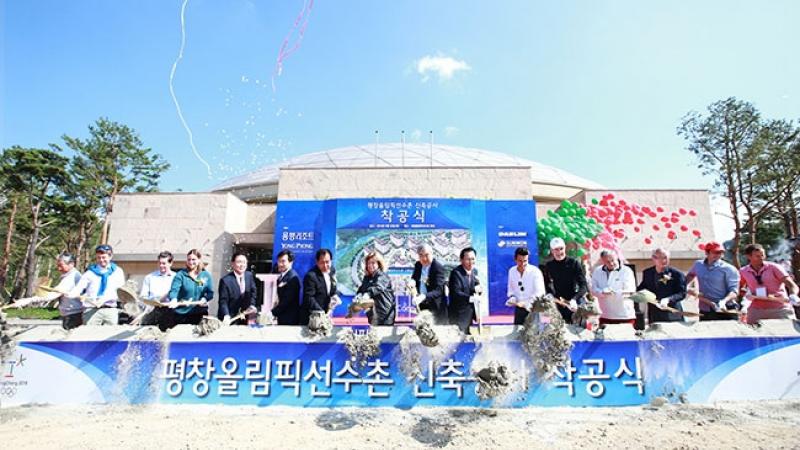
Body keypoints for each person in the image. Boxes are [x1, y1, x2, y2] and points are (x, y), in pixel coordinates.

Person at [739, 244, 800, 324]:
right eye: (757, 256)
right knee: (752, 332)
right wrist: (746, 296)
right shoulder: (743, 271)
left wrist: (793, 295)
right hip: (757, 309)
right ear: (748, 256)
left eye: (762, 255)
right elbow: (738, 288)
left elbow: (791, 284)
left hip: (780, 307)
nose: (761, 258)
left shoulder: (774, 267)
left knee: (788, 333)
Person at [69, 244, 125, 326]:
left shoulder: (118, 272)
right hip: (91, 310)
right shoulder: (90, 272)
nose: (101, 260)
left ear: (110, 256)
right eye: (99, 258)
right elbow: (79, 288)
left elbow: (121, 292)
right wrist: (72, 293)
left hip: (110, 310)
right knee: (91, 336)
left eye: (104, 257)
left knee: (109, 336)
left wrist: (104, 299)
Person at [686, 241, 740, 321]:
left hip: (725, 309)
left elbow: (734, 291)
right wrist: (687, 286)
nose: (718, 255)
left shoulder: (729, 269)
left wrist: (724, 301)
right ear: (707, 253)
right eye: (715, 252)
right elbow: (690, 275)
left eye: (721, 252)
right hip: (706, 309)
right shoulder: (698, 265)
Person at [161, 249, 214, 330]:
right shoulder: (181, 275)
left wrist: (205, 299)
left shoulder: (205, 275)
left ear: (199, 260)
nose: (191, 262)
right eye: (189, 259)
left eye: (193, 259)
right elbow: (174, 290)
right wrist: (173, 299)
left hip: (199, 313)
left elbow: (210, 293)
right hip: (182, 314)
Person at [543, 238, 589, 323]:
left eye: (561, 249)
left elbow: (583, 285)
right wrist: (550, 295)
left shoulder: (574, 263)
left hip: (573, 303)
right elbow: (547, 284)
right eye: (556, 249)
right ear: (552, 251)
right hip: (557, 303)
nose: (559, 252)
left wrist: (575, 299)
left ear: (565, 248)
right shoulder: (549, 266)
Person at [637, 248, 687, 323]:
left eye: (665, 258)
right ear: (654, 259)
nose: (663, 261)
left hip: (672, 315)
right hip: (654, 315)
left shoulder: (677, 274)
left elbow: (682, 293)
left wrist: (668, 299)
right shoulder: (648, 273)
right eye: (660, 258)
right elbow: (643, 288)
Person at [590, 250, 637, 326]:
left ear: (617, 258)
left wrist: (614, 292)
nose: (611, 263)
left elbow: (630, 290)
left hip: (624, 315)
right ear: (603, 261)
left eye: (612, 260)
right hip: (605, 314)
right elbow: (593, 289)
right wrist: (601, 292)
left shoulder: (626, 271)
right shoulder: (597, 271)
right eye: (607, 262)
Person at [506, 247, 545, 325]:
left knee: (534, 335)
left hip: (533, 309)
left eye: (525, 261)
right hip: (519, 310)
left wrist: (527, 303)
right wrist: (513, 298)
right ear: (515, 259)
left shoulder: (535, 272)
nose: (523, 264)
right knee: (517, 334)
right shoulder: (512, 271)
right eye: (520, 261)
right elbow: (511, 289)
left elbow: (540, 292)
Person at [300, 248, 340, 325]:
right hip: (312, 317)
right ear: (317, 262)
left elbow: (333, 288)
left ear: (331, 261)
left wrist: (335, 295)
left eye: (327, 262)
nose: (325, 265)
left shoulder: (332, 270)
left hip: (326, 315)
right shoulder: (311, 276)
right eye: (322, 262)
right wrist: (321, 313)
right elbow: (309, 298)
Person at [410, 243, 447, 324]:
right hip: (422, 305)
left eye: (427, 255)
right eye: (421, 255)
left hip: (436, 307)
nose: (424, 258)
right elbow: (415, 278)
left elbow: (438, 290)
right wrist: (412, 281)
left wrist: (424, 296)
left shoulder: (438, 268)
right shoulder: (418, 265)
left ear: (432, 254)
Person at [217, 252, 258, 325]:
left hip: (246, 317)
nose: (242, 265)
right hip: (231, 318)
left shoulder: (249, 276)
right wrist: (226, 315)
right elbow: (223, 301)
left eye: (244, 262)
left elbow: (253, 292)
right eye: (239, 262)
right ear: (232, 264)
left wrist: (252, 304)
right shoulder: (225, 280)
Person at [137, 251, 176, 325]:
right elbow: (143, 296)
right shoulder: (149, 277)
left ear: (170, 263)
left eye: (164, 263)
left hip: (170, 311)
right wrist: (147, 304)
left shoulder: (176, 278)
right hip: (152, 311)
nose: (161, 265)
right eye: (159, 263)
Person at [448, 247, 481, 334]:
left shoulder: (474, 272)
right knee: (458, 342)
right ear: (461, 260)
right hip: (458, 316)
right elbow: (456, 293)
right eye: (468, 259)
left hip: (469, 315)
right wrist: (470, 298)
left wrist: (478, 289)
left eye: (473, 259)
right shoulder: (456, 273)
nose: (471, 262)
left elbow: (473, 288)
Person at [357, 252, 395, 325]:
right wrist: (359, 294)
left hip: (384, 315)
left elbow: (378, 287)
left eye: (373, 263)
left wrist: (367, 294)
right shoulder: (367, 277)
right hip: (372, 315)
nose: (370, 265)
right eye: (368, 263)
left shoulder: (383, 276)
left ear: (378, 264)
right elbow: (362, 288)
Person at [271, 249, 302, 325]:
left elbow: (286, 301)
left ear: (291, 262)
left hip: (289, 319)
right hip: (281, 317)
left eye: (283, 261)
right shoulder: (280, 275)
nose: (280, 264)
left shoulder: (293, 278)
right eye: (279, 261)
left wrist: (271, 313)